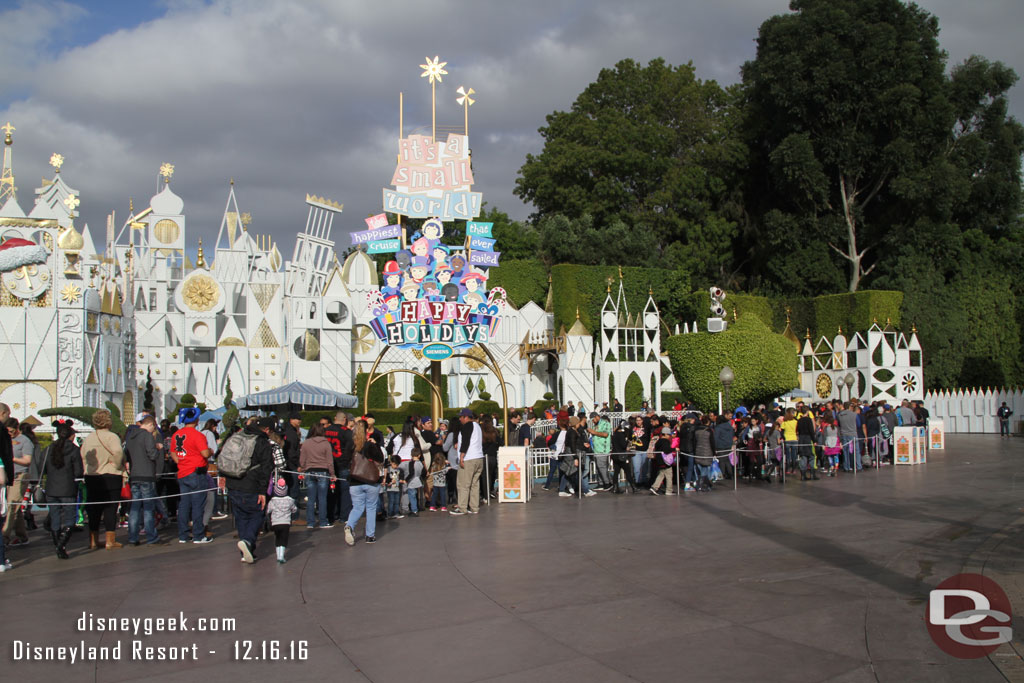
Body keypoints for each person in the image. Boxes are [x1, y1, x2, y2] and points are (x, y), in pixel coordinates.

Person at [223, 416, 275, 563]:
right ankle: (247, 541)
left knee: (241, 517)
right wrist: (262, 490)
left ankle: (246, 551)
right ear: (267, 430)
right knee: (257, 514)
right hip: (251, 485)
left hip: (233, 483)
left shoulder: (238, 436)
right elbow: (266, 468)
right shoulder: (262, 442)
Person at [80, 409, 126, 549]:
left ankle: (93, 540)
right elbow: (118, 451)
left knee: (94, 509)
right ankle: (110, 540)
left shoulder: (89, 437)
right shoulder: (111, 436)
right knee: (110, 508)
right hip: (110, 474)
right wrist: (116, 464)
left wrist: (88, 468)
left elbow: (83, 455)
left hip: (92, 475)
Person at [171, 407, 214, 544]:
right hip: (196, 472)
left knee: (184, 504)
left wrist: (181, 461)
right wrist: (211, 451)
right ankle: (198, 535)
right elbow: (205, 453)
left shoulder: (176, 435)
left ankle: (183, 535)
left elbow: (173, 453)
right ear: (196, 419)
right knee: (197, 504)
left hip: (183, 471)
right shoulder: (198, 435)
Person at [42, 420, 83, 559]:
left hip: (51, 487)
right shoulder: (74, 449)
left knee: (55, 518)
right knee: (70, 520)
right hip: (68, 488)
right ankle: (60, 546)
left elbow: (43, 468)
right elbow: (78, 472)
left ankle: (58, 546)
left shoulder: (48, 449)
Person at [125, 415, 165, 546]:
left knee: (135, 507)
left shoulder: (130, 436)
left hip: (135, 474)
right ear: (151, 424)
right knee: (148, 507)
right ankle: (151, 536)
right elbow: (152, 454)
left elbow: (126, 455)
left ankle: (133, 536)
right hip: (146, 474)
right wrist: (158, 448)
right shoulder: (147, 435)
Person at [344, 420, 384, 545]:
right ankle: (369, 535)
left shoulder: (351, 446)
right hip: (371, 480)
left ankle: (349, 525)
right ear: (367, 430)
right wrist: (376, 445)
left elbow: (344, 460)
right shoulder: (369, 445)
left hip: (355, 481)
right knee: (371, 507)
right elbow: (381, 459)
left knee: (357, 507)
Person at [2, 417, 33, 546]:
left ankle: (4, 537)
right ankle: (22, 535)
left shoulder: (25, 441)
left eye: (11, 431)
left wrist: (12, 458)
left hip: (20, 475)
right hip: (7, 475)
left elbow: (27, 460)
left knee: (12, 506)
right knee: (15, 506)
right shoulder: (5, 439)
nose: (10, 434)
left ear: (17, 429)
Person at [299, 423, 335, 529]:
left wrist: (303, 467)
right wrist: (332, 474)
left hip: (310, 471)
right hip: (323, 471)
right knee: (322, 498)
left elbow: (302, 460)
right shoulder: (326, 443)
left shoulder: (306, 443)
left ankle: (310, 522)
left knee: (311, 498)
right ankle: (323, 521)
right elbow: (330, 461)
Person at [452, 409, 485, 515]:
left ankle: (462, 508)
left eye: (461, 417)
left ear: (466, 417)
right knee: (475, 483)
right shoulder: (477, 426)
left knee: (463, 484)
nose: (460, 419)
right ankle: (474, 507)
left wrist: (461, 456)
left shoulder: (467, 426)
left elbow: (465, 441)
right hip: (479, 457)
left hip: (469, 458)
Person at [324, 412, 353, 524]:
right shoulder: (346, 432)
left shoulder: (326, 431)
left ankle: (332, 514)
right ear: (345, 419)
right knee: (345, 491)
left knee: (331, 490)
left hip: (329, 463)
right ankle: (344, 516)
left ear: (335, 418)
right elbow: (350, 448)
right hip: (342, 463)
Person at [267, 477, 296, 564]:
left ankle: (278, 555)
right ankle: (281, 556)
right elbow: (294, 509)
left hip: (275, 523)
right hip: (286, 522)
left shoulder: (272, 501)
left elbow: (268, 510)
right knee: (284, 540)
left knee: (278, 539)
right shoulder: (290, 500)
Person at [587, 412, 613, 491]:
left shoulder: (605, 423)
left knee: (602, 467)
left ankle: (607, 483)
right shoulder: (596, 425)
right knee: (598, 467)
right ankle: (601, 483)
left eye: (593, 420)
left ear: (597, 417)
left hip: (603, 449)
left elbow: (605, 434)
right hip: (596, 449)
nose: (593, 422)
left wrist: (593, 432)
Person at [610, 419, 637, 494]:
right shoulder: (621, 435)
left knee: (616, 472)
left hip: (615, 455)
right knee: (628, 472)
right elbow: (623, 445)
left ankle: (615, 488)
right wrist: (627, 442)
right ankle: (633, 487)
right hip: (621, 456)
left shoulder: (615, 434)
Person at [480, 415, 499, 501]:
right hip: (492, 457)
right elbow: (500, 442)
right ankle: (489, 491)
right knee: (491, 476)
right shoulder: (495, 432)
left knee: (484, 477)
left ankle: (485, 495)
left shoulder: (481, 433)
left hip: (484, 456)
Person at [796, 405, 818, 480]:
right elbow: (811, 431)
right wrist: (814, 440)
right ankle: (812, 474)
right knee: (812, 456)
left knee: (803, 456)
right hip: (808, 438)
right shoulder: (808, 420)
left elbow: (798, 430)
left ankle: (803, 475)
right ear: (807, 411)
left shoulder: (799, 420)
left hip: (801, 438)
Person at [401, 450, 424, 517]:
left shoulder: (411, 463)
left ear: (411, 455)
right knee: (415, 495)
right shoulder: (420, 463)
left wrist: (406, 480)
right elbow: (423, 472)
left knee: (412, 496)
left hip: (412, 481)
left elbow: (411, 473)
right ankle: (416, 508)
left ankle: (414, 510)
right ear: (419, 455)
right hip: (418, 479)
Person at [384, 455, 404, 520]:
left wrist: (401, 480)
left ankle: (396, 513)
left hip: (397, 488)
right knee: (391, 501)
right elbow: (386, 478)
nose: (396, 466)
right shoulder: (389, 469)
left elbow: (400, 477)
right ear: (391, 462)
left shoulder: (398, 470)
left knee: (397, 501)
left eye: (397, 465)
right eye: (395, 464)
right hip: (390, 489)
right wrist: (389, 482)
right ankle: (390, 514)